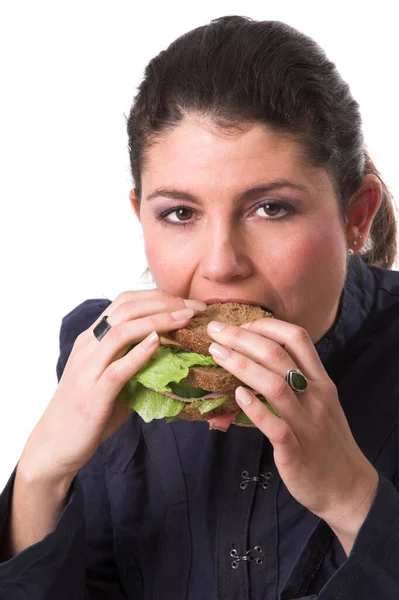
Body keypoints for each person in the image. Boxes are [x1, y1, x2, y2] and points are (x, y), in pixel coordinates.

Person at [1, 14, 399, 600]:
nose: (220, 265)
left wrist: (352, 500)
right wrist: (40, 475)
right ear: (142, 215)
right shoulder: (103, 354)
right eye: (180, 214)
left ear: (356, 215)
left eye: (271, 209)